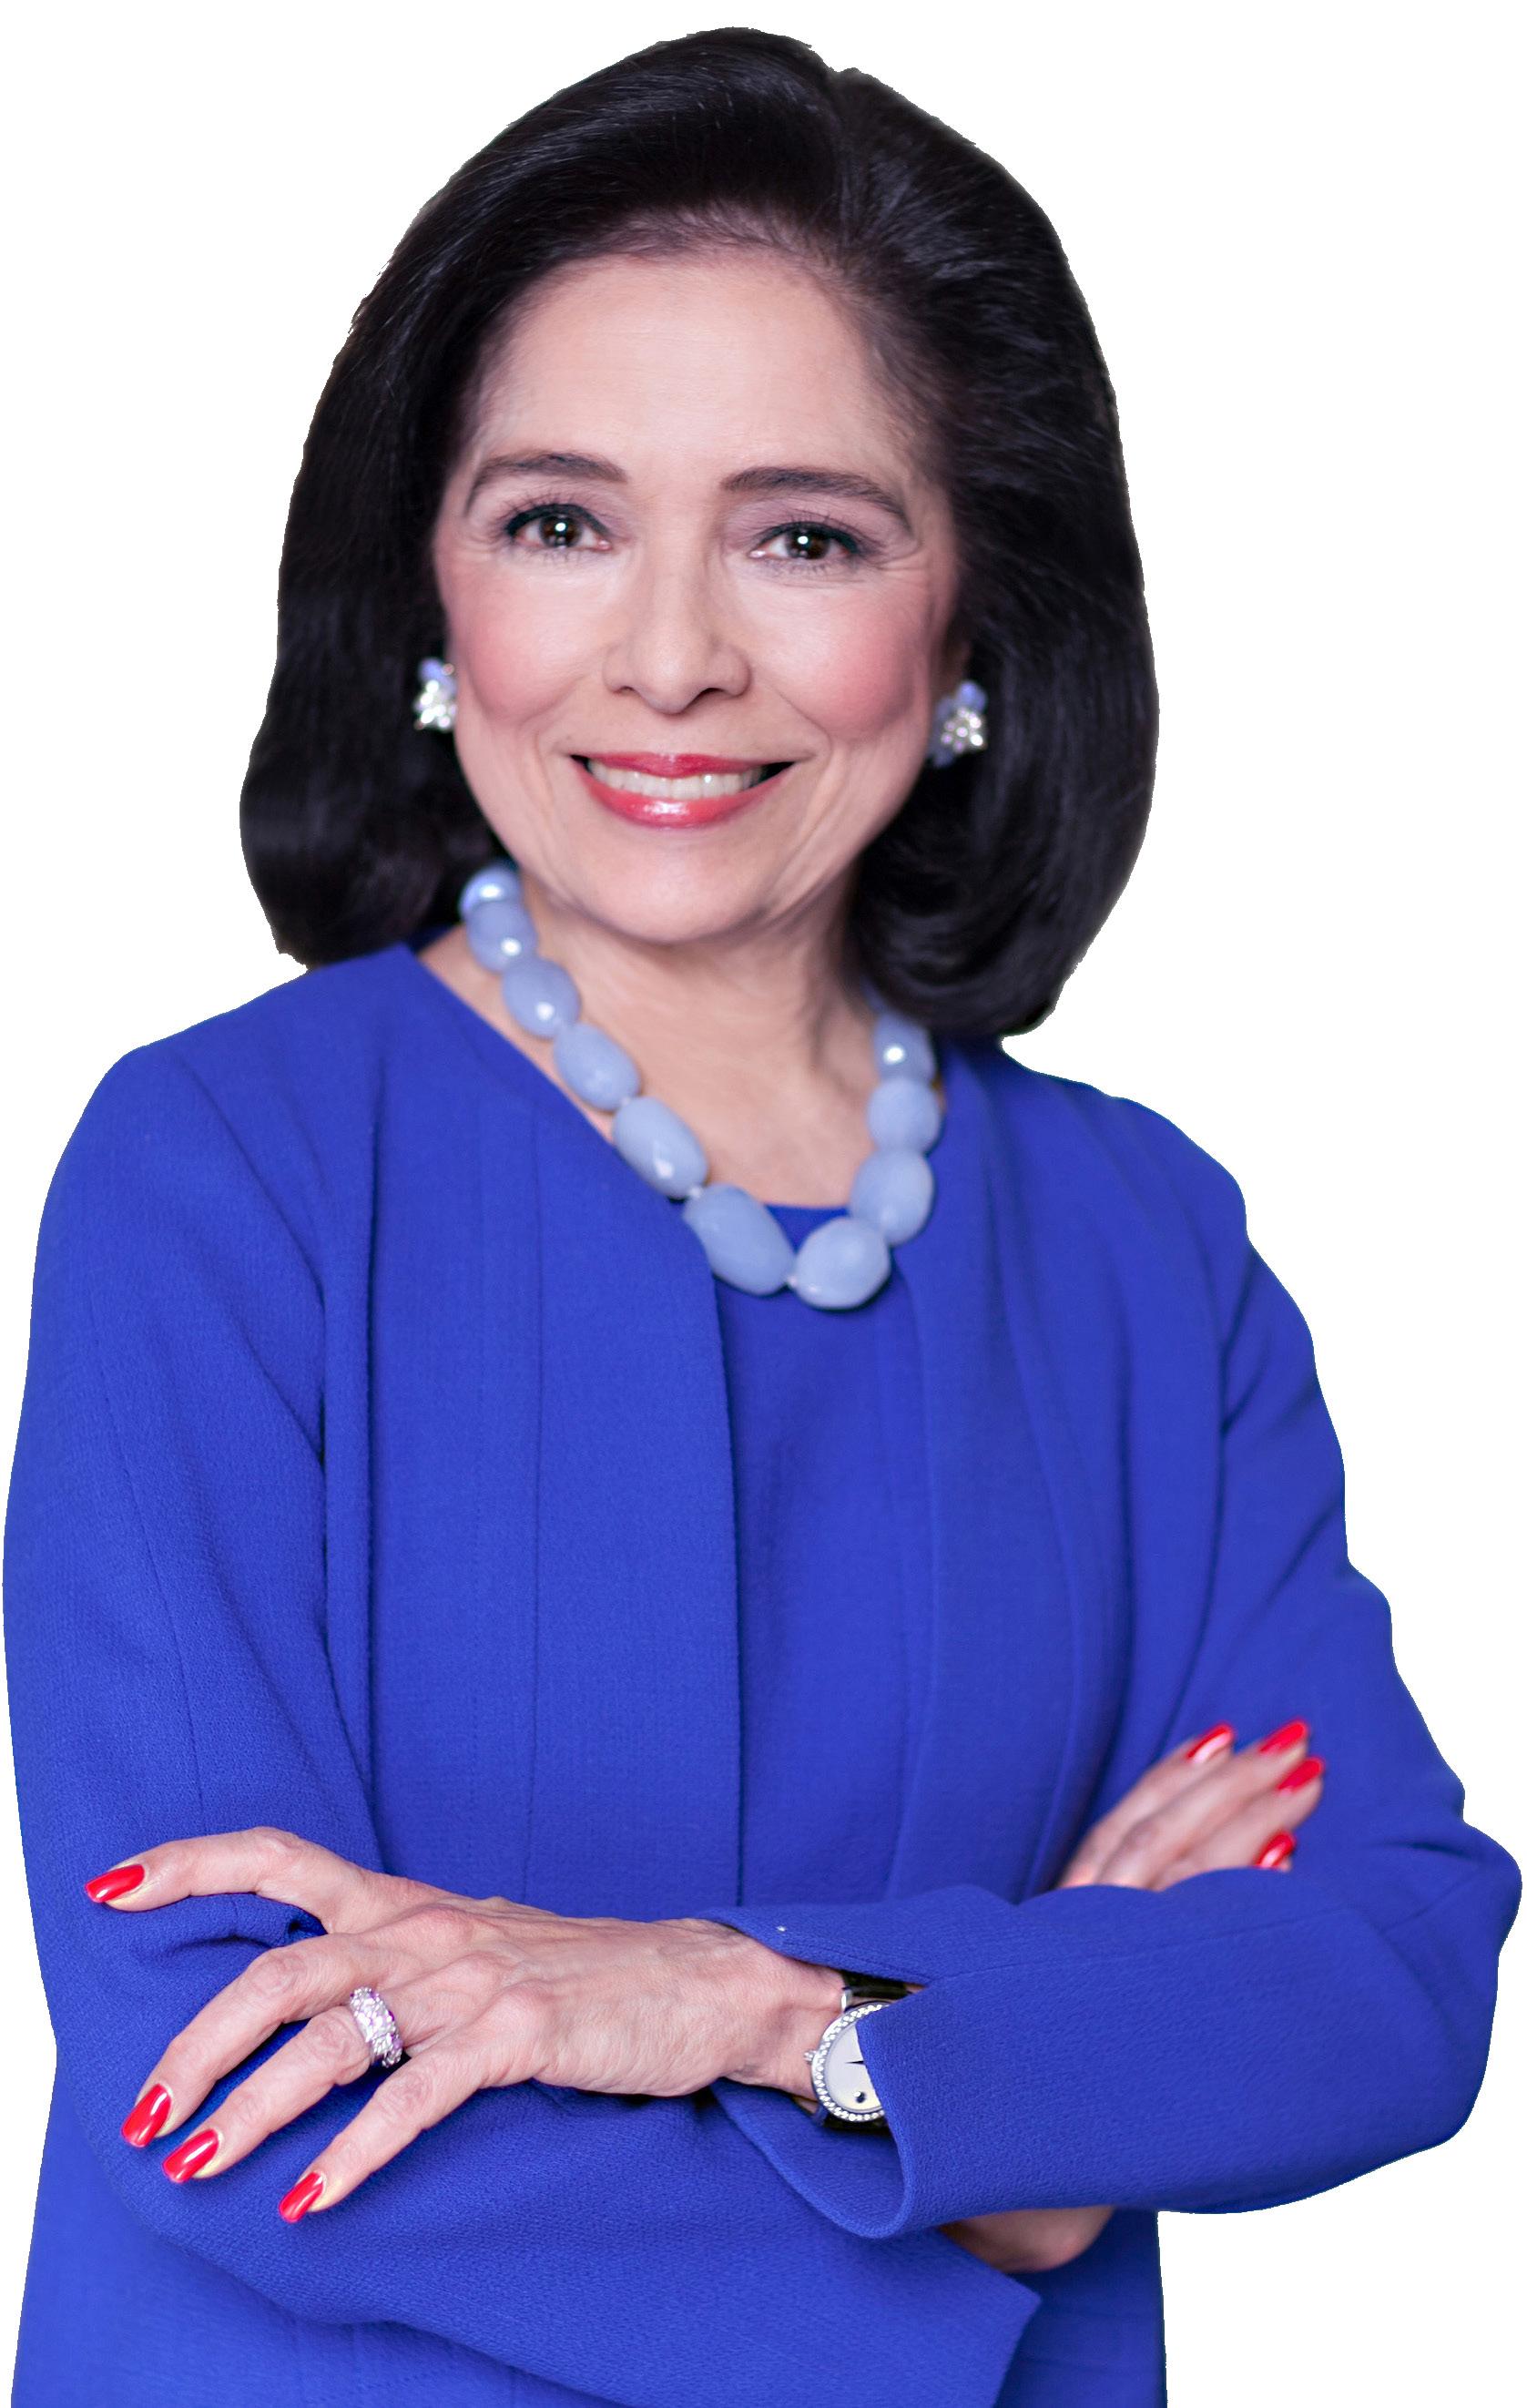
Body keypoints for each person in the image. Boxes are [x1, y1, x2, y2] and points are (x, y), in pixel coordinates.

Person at [3, 25, 1517, 2408]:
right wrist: (995, 2134)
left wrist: (758, 2004)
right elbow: (221, 2068)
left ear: (973, 621)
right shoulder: (221, 1173)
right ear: (426, 585)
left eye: (805, 534)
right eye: (560, 522)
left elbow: (1388, 1974)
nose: (672, 654)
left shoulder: (1144, 1247)